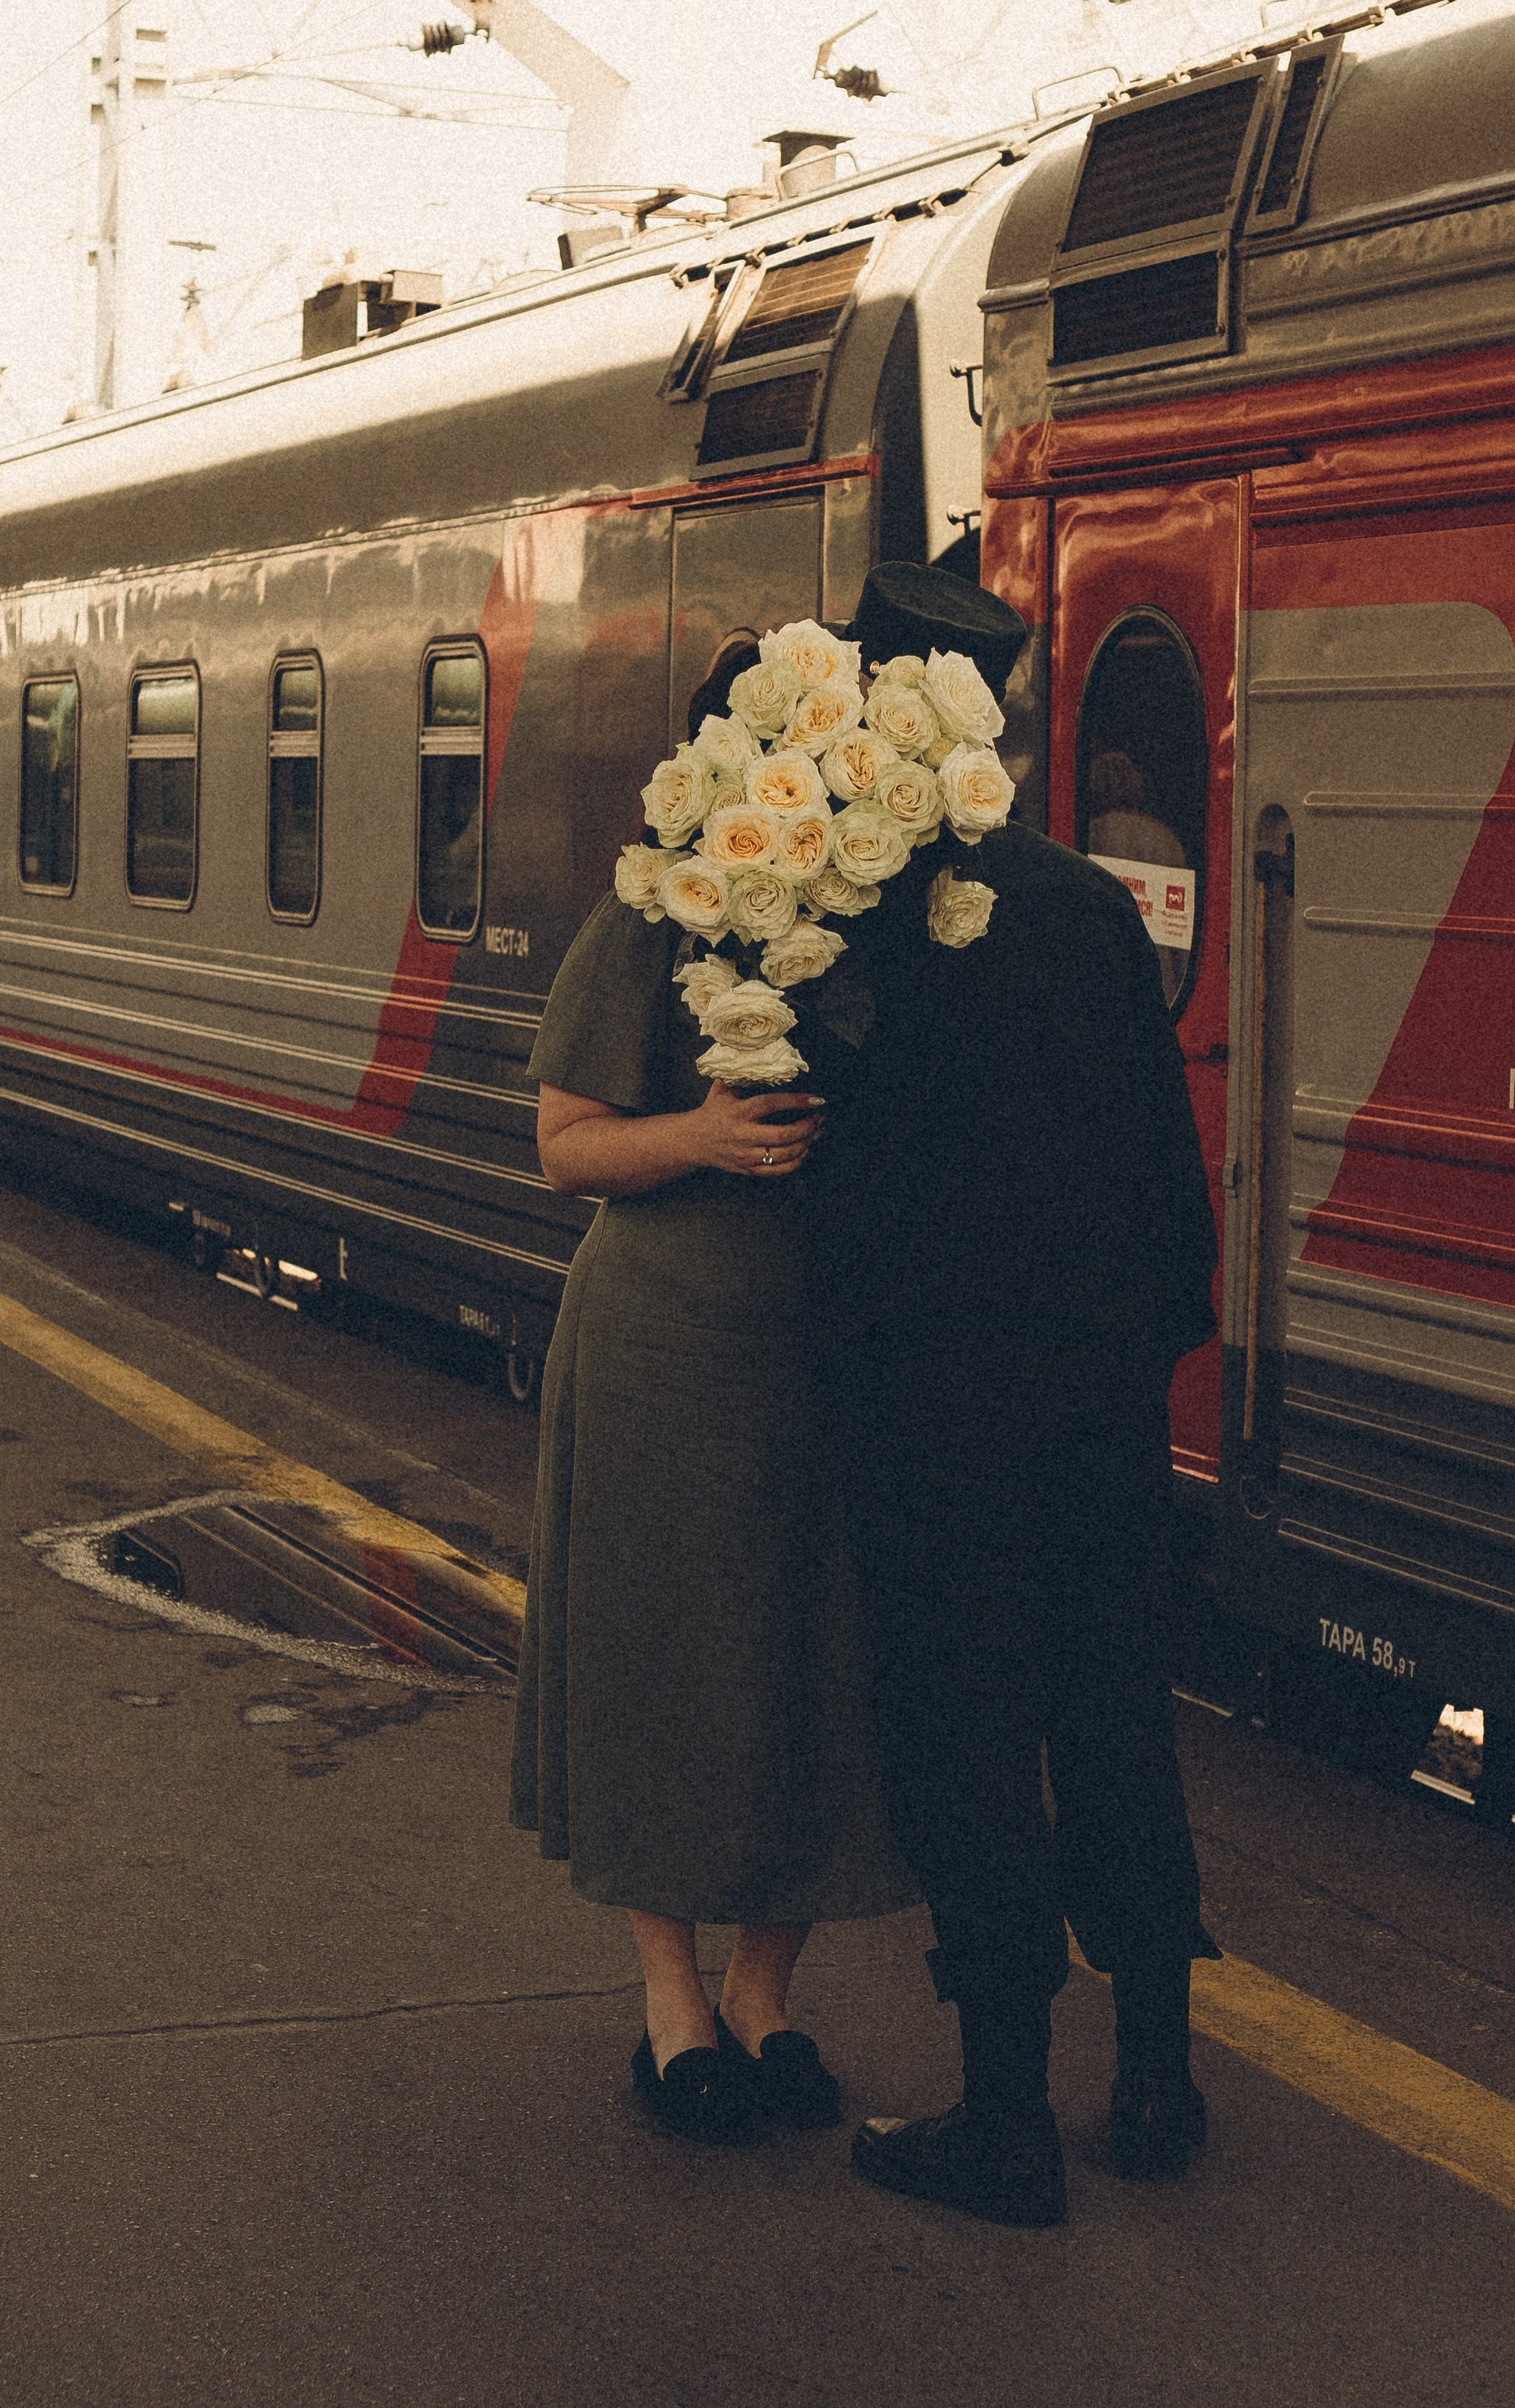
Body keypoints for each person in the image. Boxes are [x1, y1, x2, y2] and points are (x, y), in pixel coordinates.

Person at [812, 561, 1222, 2228]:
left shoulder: (854, 915)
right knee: (1114, 1712)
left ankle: (1004, 2123)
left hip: (937, 1405)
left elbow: (816, 1162)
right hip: (1101, 1395)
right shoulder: (1086, 908)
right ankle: (1156, 2079)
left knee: (966, 1732)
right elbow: (1160, 1170)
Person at [510, 785, 916, 2145]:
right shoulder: (645, 921)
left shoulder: (884, 922)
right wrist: (701, 1138)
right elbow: (566, 1146)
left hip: (831, 1357)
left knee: (806, 1665)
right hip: (660, 1360)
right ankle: (672, 2004)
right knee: (661, 1665)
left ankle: (765, 1997)